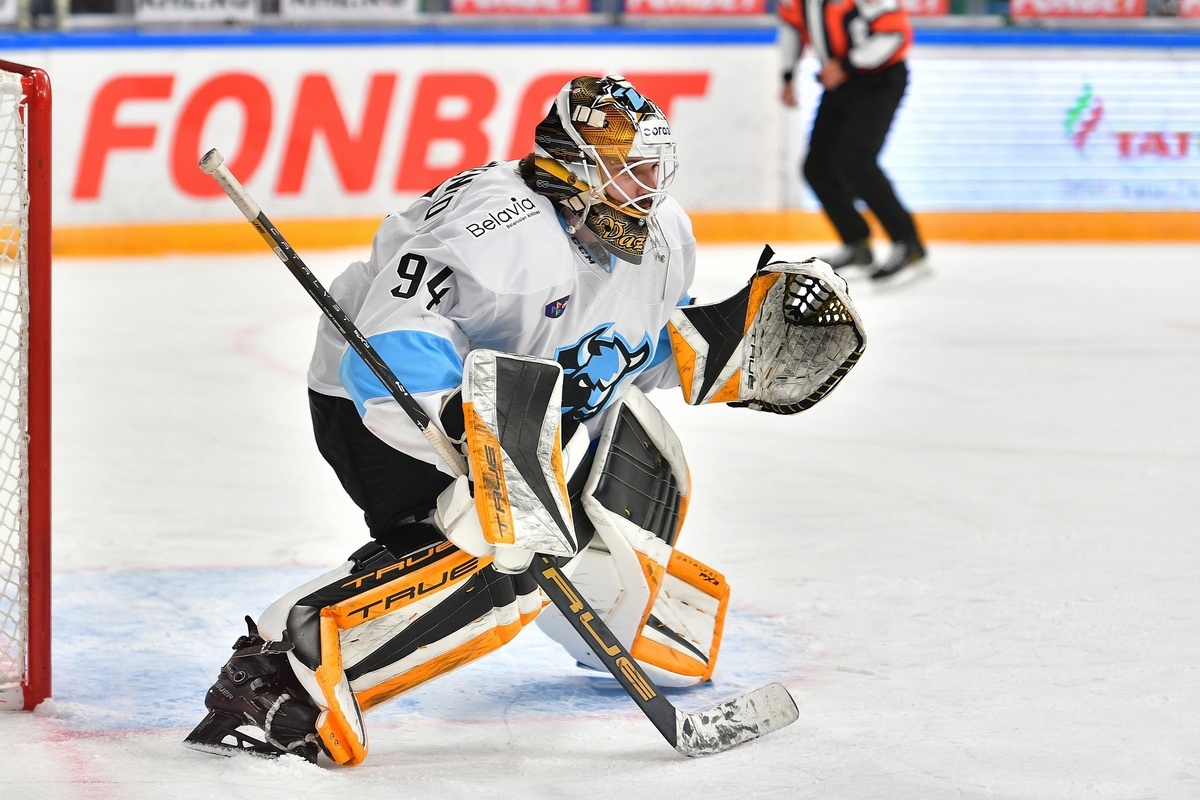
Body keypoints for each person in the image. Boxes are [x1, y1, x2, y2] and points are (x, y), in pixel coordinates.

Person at [183, 75, 866, 767]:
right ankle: (274, 673)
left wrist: (721, 348)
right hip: (383, 409)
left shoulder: (665, 238)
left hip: (526, 410)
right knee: (493, 556)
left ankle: (612, 608)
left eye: (655, 170)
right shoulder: (495, 228)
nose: (648, 189)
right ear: (573, 168)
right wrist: (467, 426)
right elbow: (387, 347)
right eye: (629, 171)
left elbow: (626, 349)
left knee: (609, 486)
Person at [778, 0, 928, 286]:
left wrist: (847, 64)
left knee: (856, 160)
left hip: (879, 80)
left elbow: (894, 33)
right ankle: (857, 245)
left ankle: (909, 245)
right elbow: (792, 29)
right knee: (817, 167)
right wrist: (787, 75)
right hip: (840, 83)